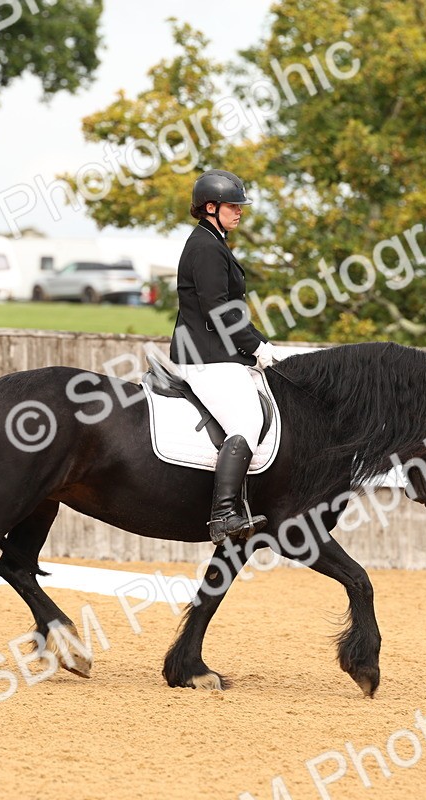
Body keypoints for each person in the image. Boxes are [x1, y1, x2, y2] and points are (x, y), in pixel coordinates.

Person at [170, 169, 280, 544]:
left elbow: (232, 310)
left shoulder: (213, 243)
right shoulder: (204, 247)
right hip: (205, 355)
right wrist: (256, 347)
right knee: (247, 421)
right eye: (234, 206)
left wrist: (260, 343)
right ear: (211, 207)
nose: (240, 212)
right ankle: (223, 517)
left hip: (218, 352)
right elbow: (218, 308)